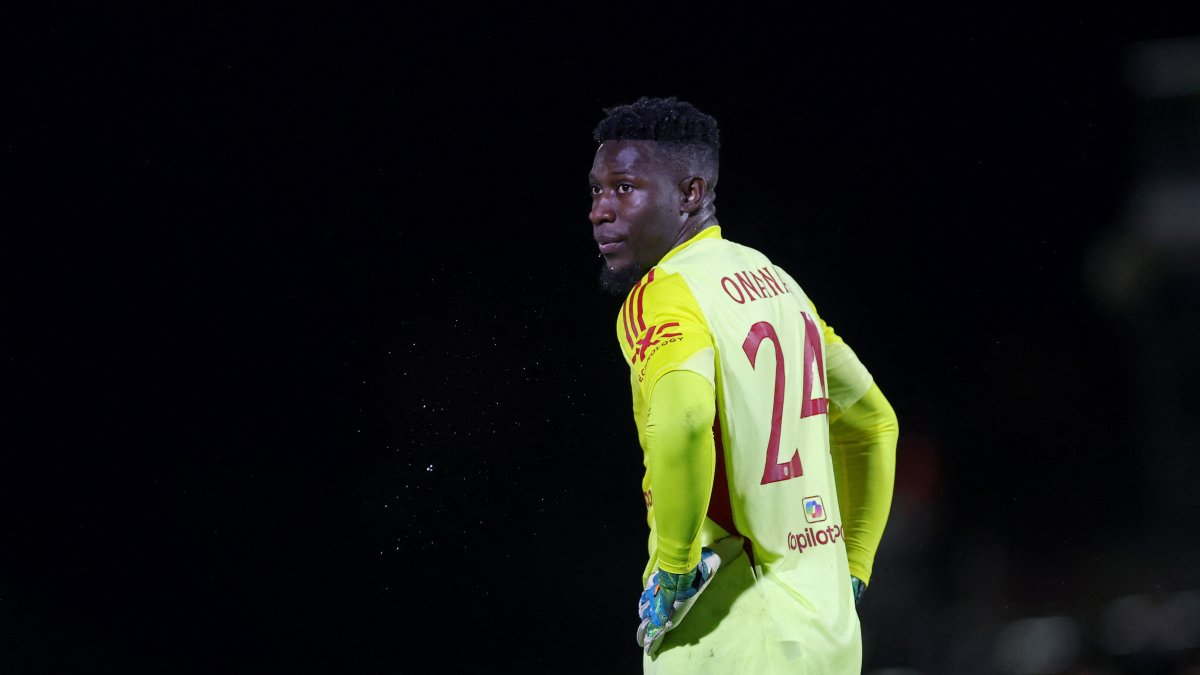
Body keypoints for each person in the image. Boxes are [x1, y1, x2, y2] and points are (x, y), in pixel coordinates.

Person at [588, 96, 899, 673]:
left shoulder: (663, 292)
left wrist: (676, 569)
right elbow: (875, 424)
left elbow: (682, 421)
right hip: (829, 638)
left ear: (690, 193)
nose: (600, 210)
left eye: (624, 187)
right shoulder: (780, 285)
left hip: (730, 637)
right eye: (597, 191)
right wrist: (852, 568)